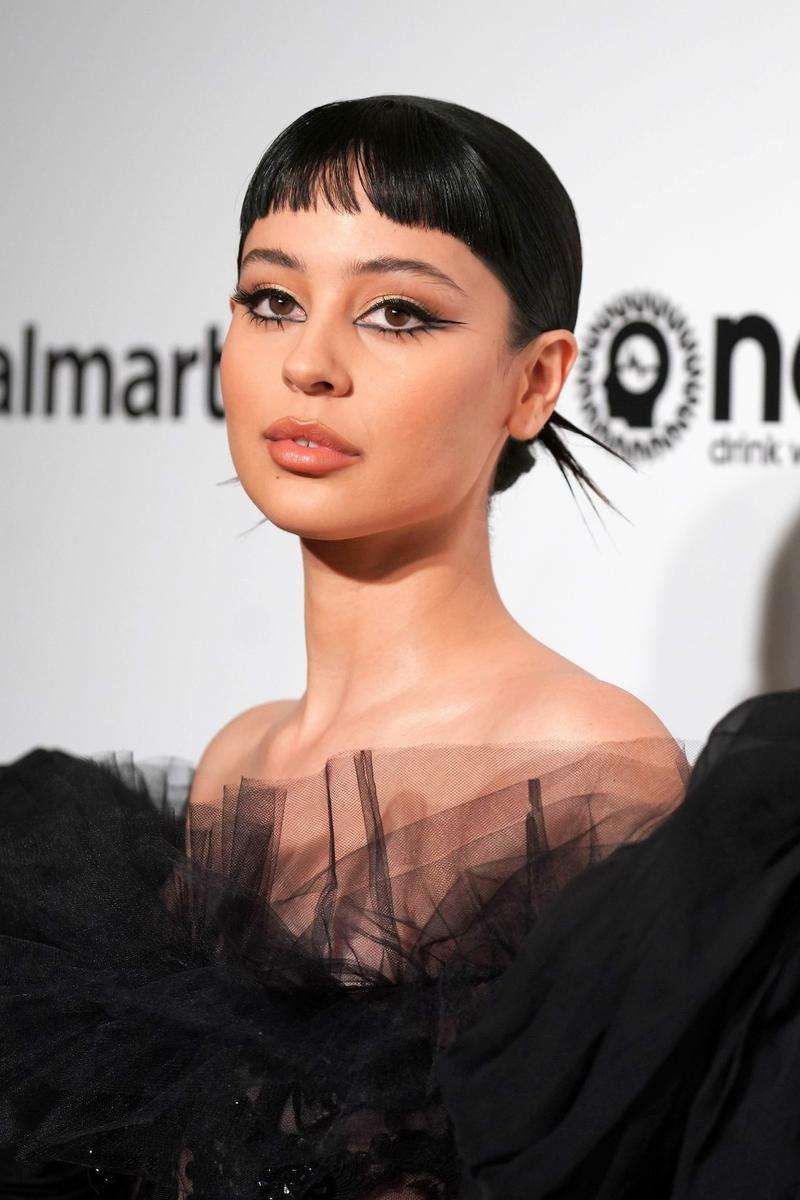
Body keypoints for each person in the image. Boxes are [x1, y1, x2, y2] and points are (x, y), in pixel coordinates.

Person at [0, 94, 797, 1200]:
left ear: (534, 381)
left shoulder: (582, 769)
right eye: (272, 300)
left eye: (397, 314)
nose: (310, 362)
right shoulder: (238, 763)